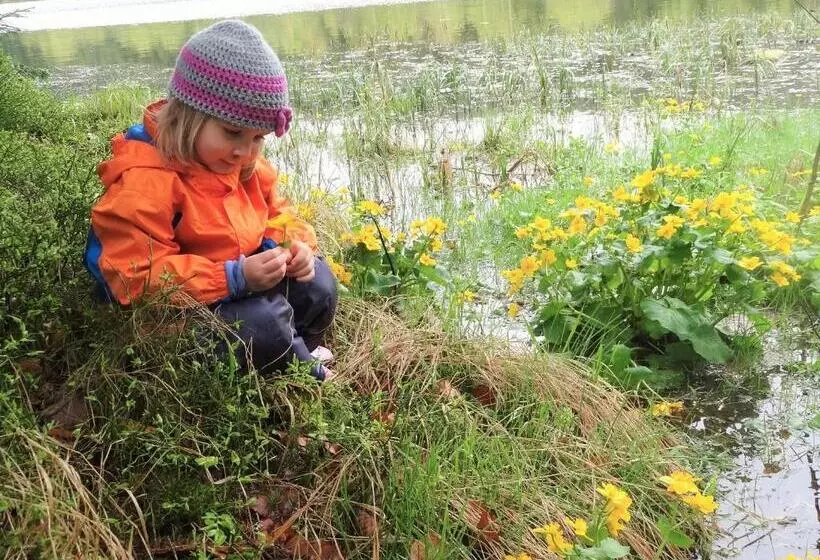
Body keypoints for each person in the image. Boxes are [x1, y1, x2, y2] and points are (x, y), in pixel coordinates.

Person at [83, 19, 337, 381]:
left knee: (319, 284)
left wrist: (292, 247)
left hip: (234, 290)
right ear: (188, 116)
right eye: (233, 132)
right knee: (264, 323)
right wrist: (234, 278)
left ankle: (292, 349)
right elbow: (135, 277)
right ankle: (293, 364)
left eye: (258, 138)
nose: (244, 152)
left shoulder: (243, 165)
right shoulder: (145, 181)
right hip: (172, 318)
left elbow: (278, 215)